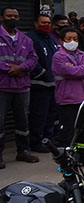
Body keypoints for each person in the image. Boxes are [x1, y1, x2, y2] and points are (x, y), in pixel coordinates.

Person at [52, 27, 84, 167]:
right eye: (69, 39)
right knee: (67, 131)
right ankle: (66, 160)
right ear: (61, 41)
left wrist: (78, 69)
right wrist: (82, 69)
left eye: (75, 39)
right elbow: (67, 71)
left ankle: (83, 157)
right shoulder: (58, 56)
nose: (72, 42)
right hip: (68, 99)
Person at [0, 7, 40, 169]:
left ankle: (23, 150)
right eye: (9, 16)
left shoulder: (25, 39)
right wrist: (9, 69)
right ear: (2, 17)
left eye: (16, 16)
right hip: (2, 85)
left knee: (23, 120)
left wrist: (22, 68)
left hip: (22, 86)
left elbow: (33, 58)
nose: (13, 18)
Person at [27, 14, 59, 153]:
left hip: (53, 85)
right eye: (43, 22)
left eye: (48, 22)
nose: (46, 25)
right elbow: (33, 61)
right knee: (39, 115)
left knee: (51, 115)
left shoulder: (50, 39)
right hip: (39, 85)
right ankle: (37, 142)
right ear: (35, 23)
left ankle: (49, 140)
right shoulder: (31, 39)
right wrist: (45, 74)